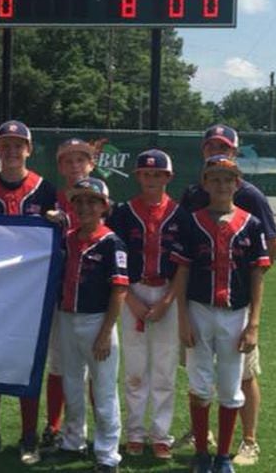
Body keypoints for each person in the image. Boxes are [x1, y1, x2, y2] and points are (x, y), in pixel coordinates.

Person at [179, 124, 276, 466]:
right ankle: (202, 448)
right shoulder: (193, 204)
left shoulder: (250, 206)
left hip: (236, 309)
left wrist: (254, 320)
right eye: (211, 147)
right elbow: (182, 267)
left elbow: (262, 262)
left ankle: (237, 446)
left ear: (237, 177)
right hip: (199, 306)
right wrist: (181, 316)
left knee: (236, 381)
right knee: (200, 381)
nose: (221, 183)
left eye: (228, 178)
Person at [0, 121, 58, 465]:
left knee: (27, 363)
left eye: (18, 145)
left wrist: (56, 219)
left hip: (31, 295)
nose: (12, 150)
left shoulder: (44, 189)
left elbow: (62, 234)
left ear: (29, 150)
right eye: (5, 145)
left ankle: (29, 437)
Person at [109, 149, 189, 461]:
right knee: (135, 368)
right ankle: (134, 432)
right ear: (138, 176)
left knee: (165, 368)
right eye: (146, 173)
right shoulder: (123, 213)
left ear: (168, 177)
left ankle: (160, 434)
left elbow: (185, 264)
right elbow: (115, 261)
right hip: (132, 292)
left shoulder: (180, 214)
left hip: (167, 292)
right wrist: (130, 298)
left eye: (158, 174)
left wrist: (168, 301)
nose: (152, 179)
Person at [53, 177, 128, 473]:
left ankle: (108, 455)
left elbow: (120, 290)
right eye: (79, 201)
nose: (84, 207)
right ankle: (73, 441)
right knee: (71, 384)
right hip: (68, 319)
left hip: (98, 322)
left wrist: (106, 331)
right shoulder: (68, 238)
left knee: (104, 390)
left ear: (103, 207)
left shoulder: (112, 242)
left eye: (91, 202)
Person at [40, 137, 97, 452]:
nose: (75, 166)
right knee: (59, 364)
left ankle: (91, 430)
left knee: (93, 369)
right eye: (68, 160)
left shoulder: (101, 198)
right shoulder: (53, 196)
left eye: (81, 160)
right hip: (60, 294)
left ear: (91, 164)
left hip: (93, 299)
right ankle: (54, 425)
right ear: (60, 166)